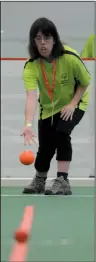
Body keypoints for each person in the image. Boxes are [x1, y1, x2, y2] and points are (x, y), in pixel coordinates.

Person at [21, 17, 91, 195]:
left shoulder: (70, 57)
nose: (43, 43)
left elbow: (85, 81)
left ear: (54, 39)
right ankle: (40, 179)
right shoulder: (31, 65)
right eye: (38, 38)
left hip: (75, 101)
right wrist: (28, 125)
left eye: (47, 37)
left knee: (61, 132)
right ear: (33, 41)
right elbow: (31, 95)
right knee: (45, 145)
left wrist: (73, 103)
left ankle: (62, 180)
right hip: (49, 108)